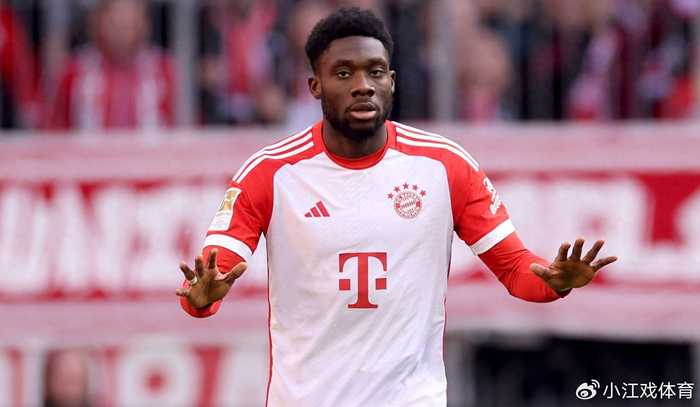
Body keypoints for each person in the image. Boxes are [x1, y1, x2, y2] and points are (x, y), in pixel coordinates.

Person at [176, 8, 617, 406]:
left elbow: (518, 272)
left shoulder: (445, 166)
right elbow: (209, 280)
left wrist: (554, 281)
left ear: (392, 80)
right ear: (315, 85)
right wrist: (202, 299)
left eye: (375, 72)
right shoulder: (270, 173)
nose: (362, 86)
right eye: (343, 73)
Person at [47, 0, 175, 131]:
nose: (123, 33)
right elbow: (55, 127)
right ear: (98, 22)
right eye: (116, 24)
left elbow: (178, 125)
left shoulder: (162, 69)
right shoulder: (75, 70)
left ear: (144, 25)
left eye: (130, 24)